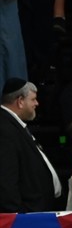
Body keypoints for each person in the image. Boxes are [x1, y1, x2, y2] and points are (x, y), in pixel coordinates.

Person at [0, 78, 61, 211]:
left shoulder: (12, 124)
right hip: (25, 216)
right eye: (33, 99)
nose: (37, 103)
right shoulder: (4, 129)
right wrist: (16, 215)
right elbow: (6, 178)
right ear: (20, 101)